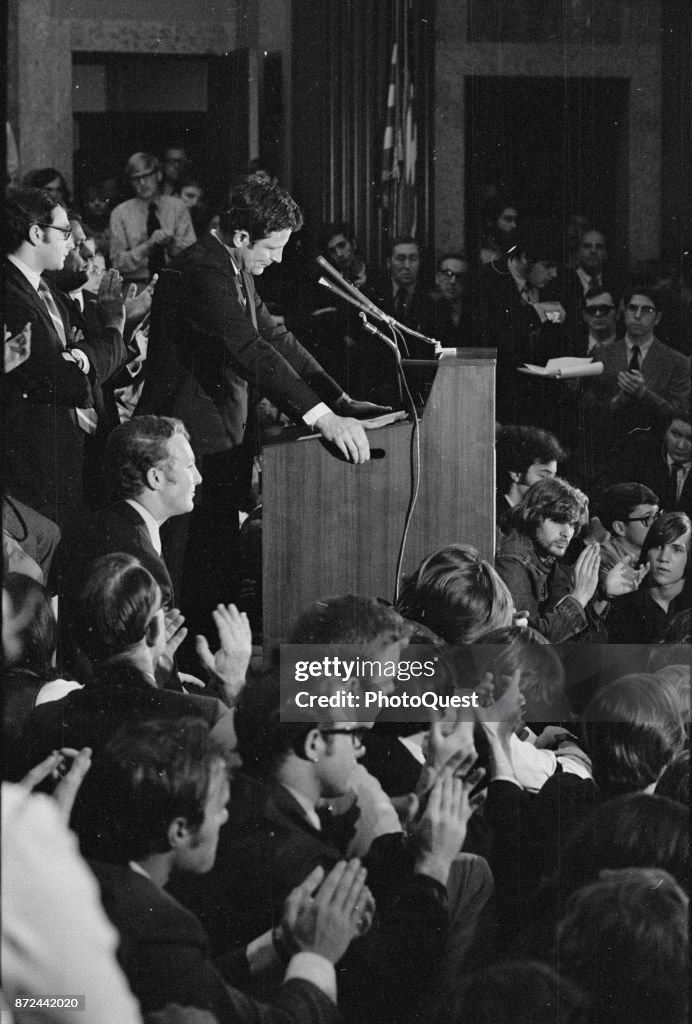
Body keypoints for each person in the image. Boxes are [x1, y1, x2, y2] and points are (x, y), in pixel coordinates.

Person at [135, 175, 388, 623]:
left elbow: (278, 338)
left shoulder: (232, 265)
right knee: (185, 575)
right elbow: (248, 349)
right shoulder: (201, 271)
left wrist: (340, 401)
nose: (277, 259)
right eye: (272, 248)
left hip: (217, 445)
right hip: (186, 447)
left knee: (213, 576)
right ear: (240, 237)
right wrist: (322, 419)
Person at [86, 717, 365, 1024]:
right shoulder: (160, 926)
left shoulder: (97, 881)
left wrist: (280, 945)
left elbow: (199, 985)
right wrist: (316, 956)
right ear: (179, 831)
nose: (225, 817)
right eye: (218, 808)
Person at [3, 188, 126, 526]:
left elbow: (81, 366)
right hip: (39, 470)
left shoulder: (48, 291)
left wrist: (82, 354)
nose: (72, 244)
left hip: (73, 461)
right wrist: (113, 331)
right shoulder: (10, 296)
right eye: (64, 232)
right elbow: (69, 381)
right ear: (36, 232)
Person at [495, 477, 634, 643]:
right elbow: (531, 641)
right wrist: (578, 598)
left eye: (572, 524)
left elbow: (572, 639)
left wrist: (603, 596)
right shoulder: (513, 561)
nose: (567, 533)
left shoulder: (548, 559)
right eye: (558, 520)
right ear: (532, 514)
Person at [110, 152, 196, 288]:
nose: (142, 183)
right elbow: (117, 263)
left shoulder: (177, 207)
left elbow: (193, 254)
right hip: (137, 285)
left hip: (175, 283)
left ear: (159, 175)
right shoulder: (120, 213)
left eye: (147, 176)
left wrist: (172, 242)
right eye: (136, 179)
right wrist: (147, 246)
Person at [606, 510, 691, 645]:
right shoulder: (626, 605)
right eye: (657, 547)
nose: (663, 558)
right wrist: (606, 598)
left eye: (676, 549)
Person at [495, 424, 566, 533]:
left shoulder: (534, 516)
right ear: (516, 474)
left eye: (553, 476)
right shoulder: (496, 518)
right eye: (543, 476)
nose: (551, 485)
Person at [594, 482, 660, 577]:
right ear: (619, 528)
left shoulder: (656, 552)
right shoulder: (601, 563)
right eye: (647, 518)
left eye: (657, 515)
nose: (657, 524)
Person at [429, 252, 473, 347]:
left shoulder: (475, 312)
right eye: (447, 274)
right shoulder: (428, 311)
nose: (453, 281)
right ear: (437, 277)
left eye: (459, 276)